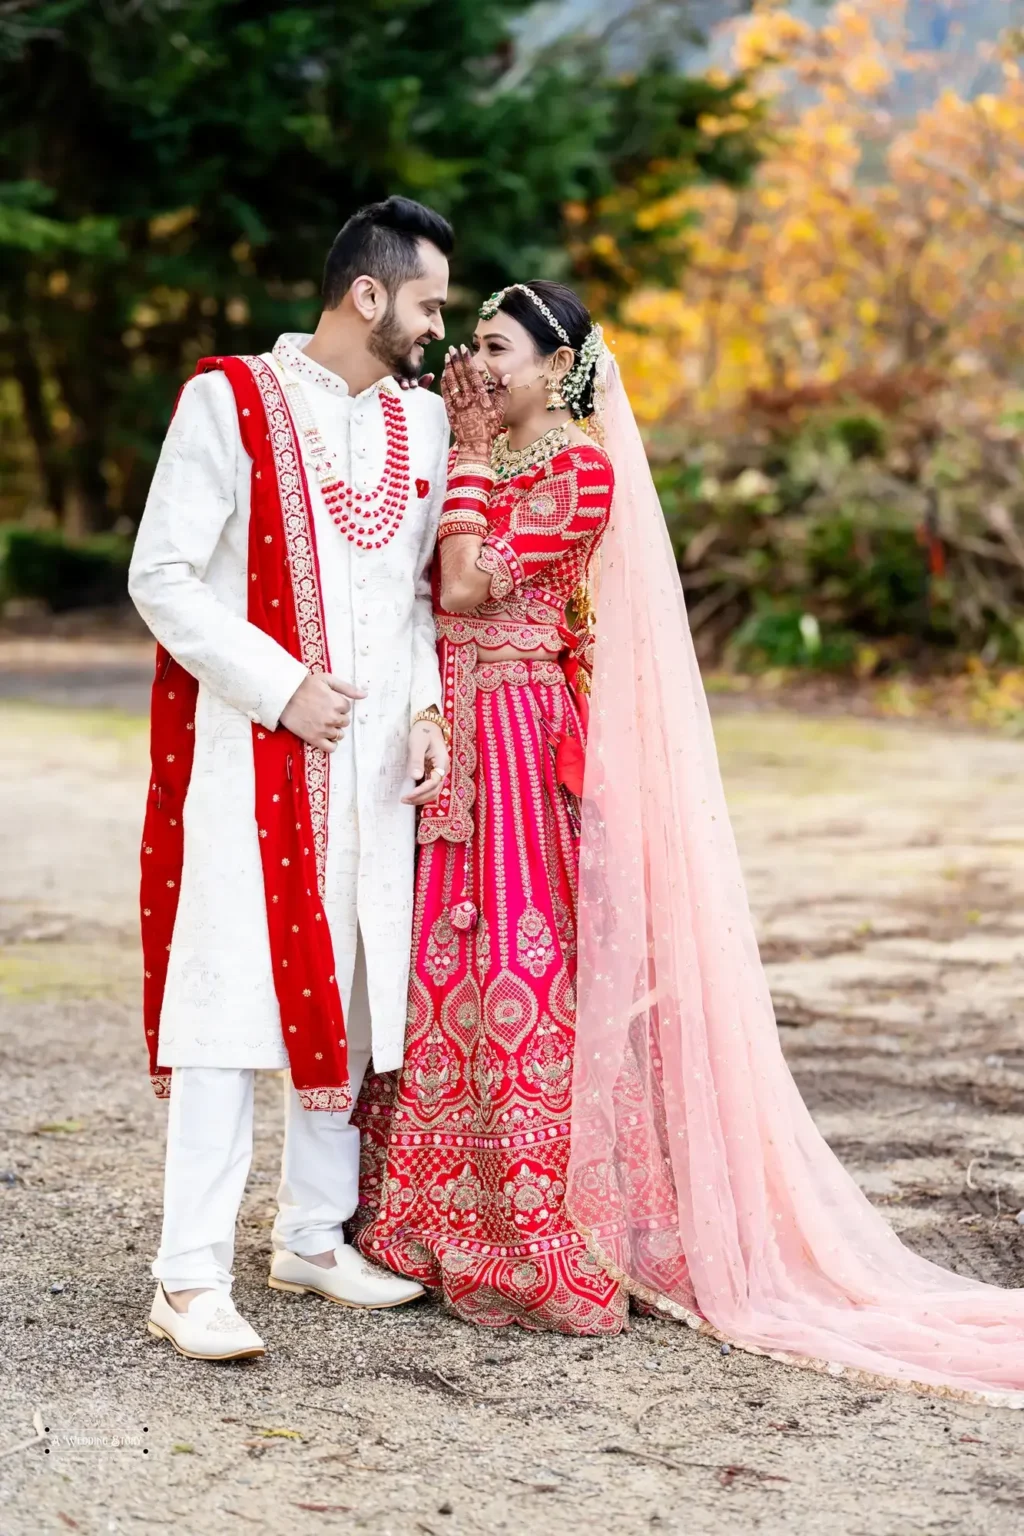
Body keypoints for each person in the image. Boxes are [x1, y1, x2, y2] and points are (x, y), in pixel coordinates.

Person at [353, 279, 1024, 1404]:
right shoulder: (472, 451)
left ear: (561, 367)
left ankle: (537, 1237)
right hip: (440, 734)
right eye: (469, 342)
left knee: (521, 961)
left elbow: (466, 584)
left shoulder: (578, 469)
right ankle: (425, 1223)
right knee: (437, 965)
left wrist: (464, 454)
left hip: (517, 734)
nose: (476, 363)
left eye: (499, 346)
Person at [128, 196, 453, 1361]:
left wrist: (422, 712)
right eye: (426, 304)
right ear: (367, 296)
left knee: (358, 986)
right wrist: (278, 687)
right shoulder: (230, 400)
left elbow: (414, 594)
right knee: (229, 998)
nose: (438, 329)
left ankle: (313, 1237)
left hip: (369, 770)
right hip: (252, 751)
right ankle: (187, 1276)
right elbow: (162, 575)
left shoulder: (422, 425)